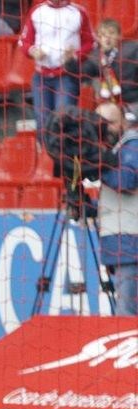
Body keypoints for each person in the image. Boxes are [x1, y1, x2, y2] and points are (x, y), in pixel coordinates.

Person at [18, 0, 94, 143]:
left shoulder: (78, 12)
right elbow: (23, 41)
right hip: (41, 76)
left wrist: (75, 55)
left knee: (63, 119)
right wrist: (33, 51)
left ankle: (64, 158)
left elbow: (90, 42)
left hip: (66, 75)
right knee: (42, 121)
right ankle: (46, 157)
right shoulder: (37, 11)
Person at [96, 102, 138, 315]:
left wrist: (97, 165)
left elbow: (128, 181)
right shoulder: (115, 150)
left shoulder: (133, 144)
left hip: (131, 244)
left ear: (123, 121)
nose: (106, 128)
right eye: (101, 123)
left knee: (127, 316)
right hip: (122, 245)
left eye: (111, 122)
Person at [67, 19, 138, 121]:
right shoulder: (95, 56)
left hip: (134, 101)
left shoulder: (132, 49)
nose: (107, 37)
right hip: (111, 103)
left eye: (111, 33)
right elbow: (82, 74)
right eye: (103, 35)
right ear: (99, 38)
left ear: (119, 36)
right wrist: (70, 61)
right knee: (101, 116)